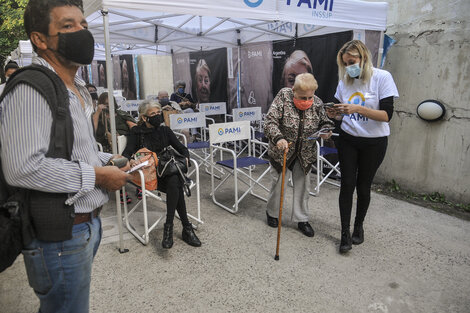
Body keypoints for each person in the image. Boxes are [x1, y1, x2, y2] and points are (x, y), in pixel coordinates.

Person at [0, 1, 130, 312]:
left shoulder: (75, 88)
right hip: (59, 238)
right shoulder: (31, 88)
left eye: (84, 25)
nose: (82, 33)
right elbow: (22, 168)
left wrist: (109, 159)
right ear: (40, 39)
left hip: (82, 229)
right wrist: (99, 176)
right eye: (68, 26)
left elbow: (77, 151)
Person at [327, 40, 399, 254]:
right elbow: (340, 112)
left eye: (352, 61)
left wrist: (358, 108)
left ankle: (359, 226)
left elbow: (386, 115)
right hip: (349, 138)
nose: (349, 66)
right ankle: (344, 233)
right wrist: (335, 113)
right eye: (345, 63)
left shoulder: (382, 77)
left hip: (374, 143)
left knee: (363, 185)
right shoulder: (344, 82)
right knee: (347, 184)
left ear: (364, 57)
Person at [122, 100, 201, 249]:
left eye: (159, 113)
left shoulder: (165, 131)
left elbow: (182, 148)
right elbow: (127, 152)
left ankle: (169, 227)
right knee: (176, 183)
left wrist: (186, 156)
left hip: (167, 171)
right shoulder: (136, 132)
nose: (158, 116)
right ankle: (186, 228)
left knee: (174, 180)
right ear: (144, 117)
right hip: (148, 176)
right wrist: (130, 160)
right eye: (153, 114)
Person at [264, 73, 334, 237]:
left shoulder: (317, 102)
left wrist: (326, 131)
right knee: (278, 184)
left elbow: (325, 121)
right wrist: (279, 138)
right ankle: (272, 213)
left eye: (310, 97)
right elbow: (270, 121)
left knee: (303, 188)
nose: (307, 101)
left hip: (305, 153)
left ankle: (302, 219)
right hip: (282, 150)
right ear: (293, 90)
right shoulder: (283, 95)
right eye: (302, 97)